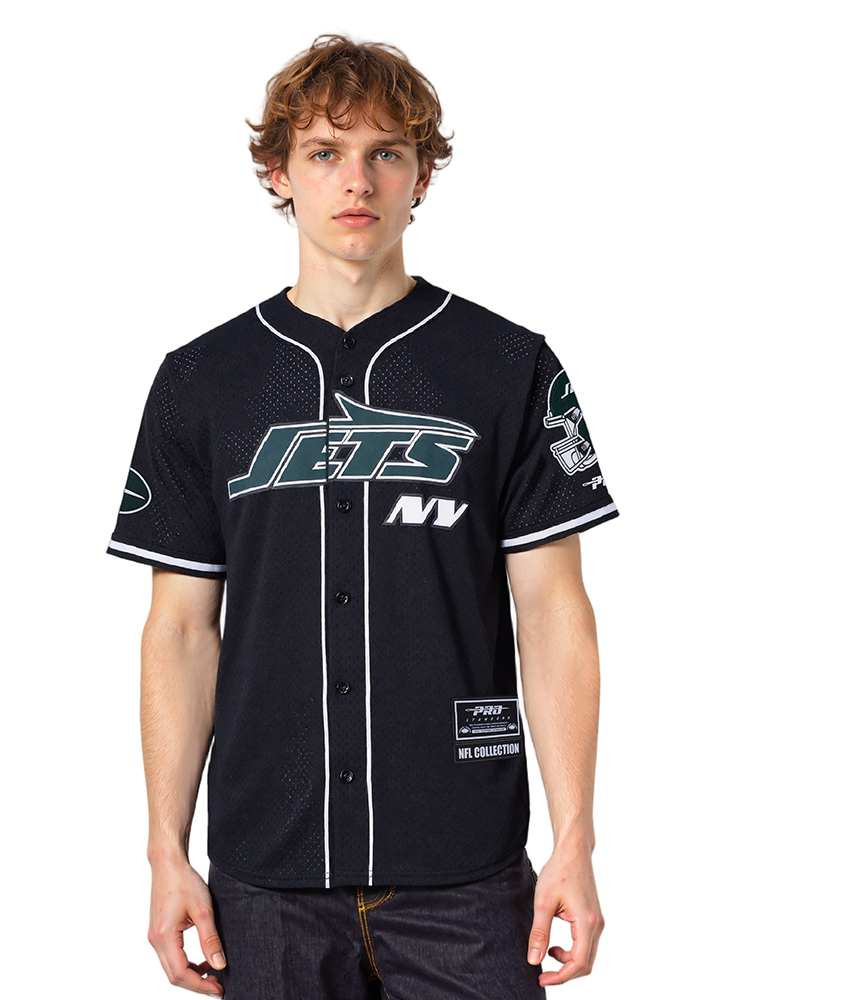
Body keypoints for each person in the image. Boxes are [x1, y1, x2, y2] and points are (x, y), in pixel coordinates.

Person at [107, 34, 617, 999]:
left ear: (422, 174)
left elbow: (554, 612)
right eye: (325, 152)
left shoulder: (508, 367)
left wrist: (575, 842)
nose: (358, 181)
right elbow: (179, 629)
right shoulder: (202, 382)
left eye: (387, 152)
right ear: (279, 173)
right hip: (268, 876)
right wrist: (165, 851)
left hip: (466, 870)